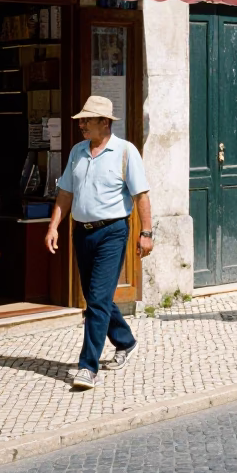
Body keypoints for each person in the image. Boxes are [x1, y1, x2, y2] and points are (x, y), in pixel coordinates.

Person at [46, 96, 153, 390]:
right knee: (97, 297)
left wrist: (146, 232)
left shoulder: (125, 152)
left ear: (104, 123)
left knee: (96, 299)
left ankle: (87, 367)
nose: (81, 124)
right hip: (81, 232)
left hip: (113, 232)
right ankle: (126, 341)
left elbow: (141, 195)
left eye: (87, 120)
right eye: (81, 120)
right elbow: (66, 193)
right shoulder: (77, 152)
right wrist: (54, 225)